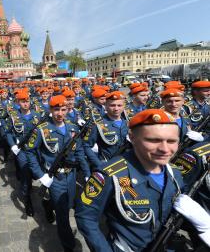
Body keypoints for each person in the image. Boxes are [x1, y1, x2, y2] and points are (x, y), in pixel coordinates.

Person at [75, 109, 192, 251]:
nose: (164, 149)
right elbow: (86, 217)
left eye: (172, 141)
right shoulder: (111, 174)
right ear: (132, 138)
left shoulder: (174, 173)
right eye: (153, 140)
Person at [25, 95, 90, 252]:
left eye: (63, 109)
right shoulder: (42, 130)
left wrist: (87, 172)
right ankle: (68, 245)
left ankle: (48, 204)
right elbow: (30, 151)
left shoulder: (73, 127)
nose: (60, 113)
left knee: (68, 204)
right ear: (50, 110)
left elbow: (80, 151)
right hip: (55, 177)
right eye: (56, 110)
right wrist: (40, 175)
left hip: (72, 175)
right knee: (63, 215)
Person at [6, 90, 41, 217]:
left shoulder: (37, 115)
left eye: (27, 101)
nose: (25, 104)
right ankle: (27, 201)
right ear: (17, 102)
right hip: (22, 152)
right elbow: (8, 132)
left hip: (36, 151)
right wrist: (13, 145)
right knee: (26, 176)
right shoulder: (14, 117)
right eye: (22, 101)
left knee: (36, 173)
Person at [83, 91, 129, 170]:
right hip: (107, 166)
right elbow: (86, 146)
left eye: (119, 105)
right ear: (106, 106)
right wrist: (98, 164)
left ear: (124, 106)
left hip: (127, 165)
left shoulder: (129, 123)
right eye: (112, 105)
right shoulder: (98, 124)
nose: (116, 108)